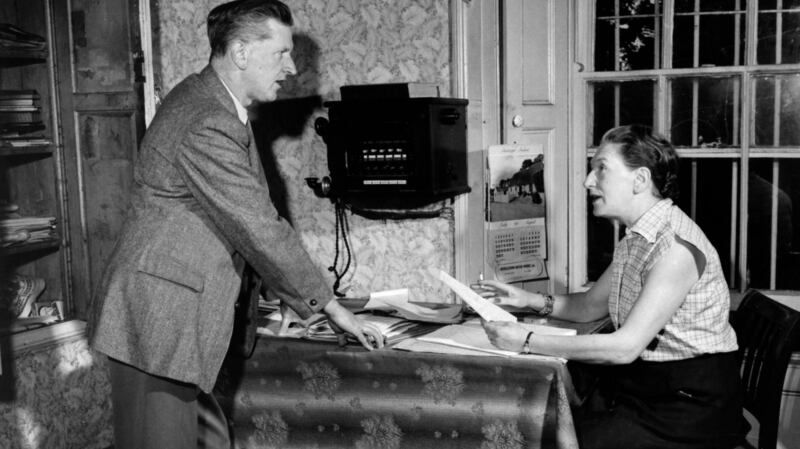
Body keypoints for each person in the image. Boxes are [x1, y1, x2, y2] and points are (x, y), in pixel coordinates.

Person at [86, 1, 383, 448]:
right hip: (158, 323)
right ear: (241, 52)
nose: (291, 67)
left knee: (213, 440)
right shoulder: (206, 120)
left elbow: (236, 220)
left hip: (176, 323)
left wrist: (283, 295)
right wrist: (328, 305)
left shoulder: (218, 106)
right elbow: (258, 225)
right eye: (281, 53)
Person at [472, 124, 748, 449]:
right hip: (648, 386)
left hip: (687, 404)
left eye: (601, 168)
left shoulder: (674, 248)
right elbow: (591, 306)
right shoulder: (638, 237)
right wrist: (528, 300)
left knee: (551, 436)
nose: (588, 181)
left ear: (640, 180)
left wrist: (527, 341)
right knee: (544, 421)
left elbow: (624, 348)